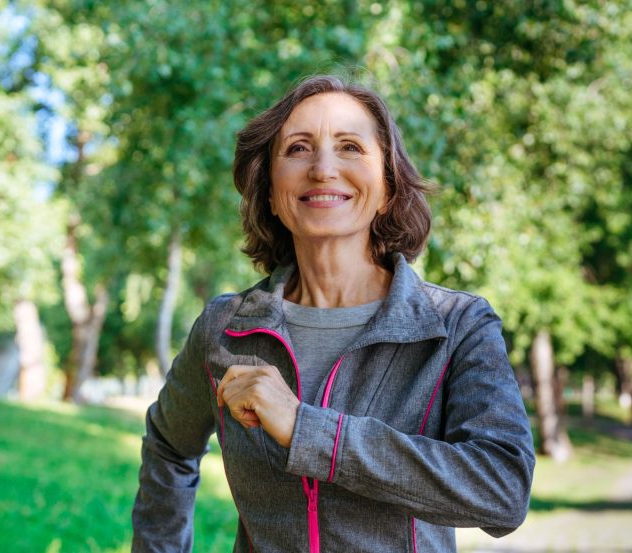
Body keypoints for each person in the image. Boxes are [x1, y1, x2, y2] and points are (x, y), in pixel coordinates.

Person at [132, 75, 535, 552]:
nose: (323, 169)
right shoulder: (224, 330)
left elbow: (502, 492)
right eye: (299, 148)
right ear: (269, 191)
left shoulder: (456, 326)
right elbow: (168, 448)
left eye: (350, 147)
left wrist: (308, 430)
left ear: (387, 186)